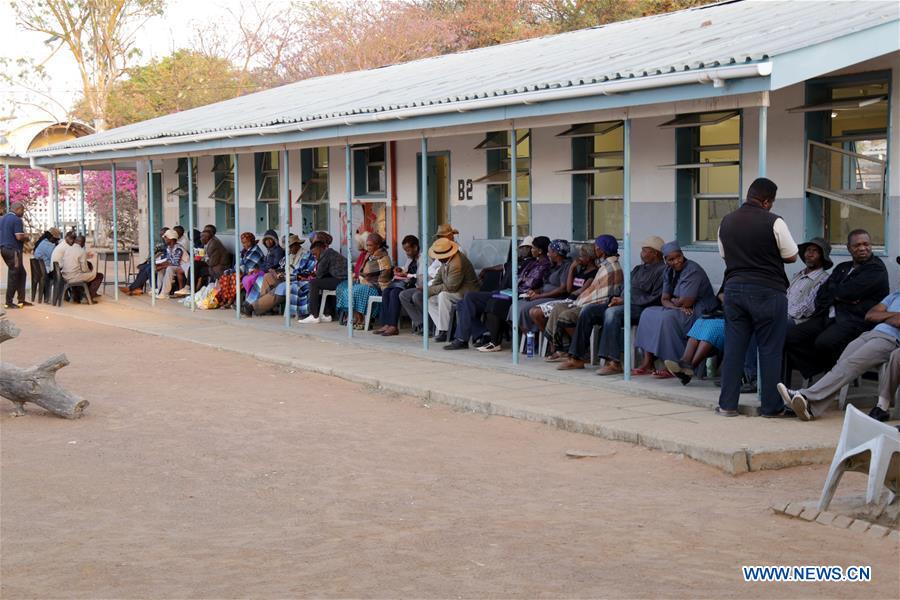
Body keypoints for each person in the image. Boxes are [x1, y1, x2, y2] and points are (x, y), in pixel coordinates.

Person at [714, 178, 799, 417]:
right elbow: (792, 255)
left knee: (734, 349)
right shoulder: (775, 221)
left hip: (734, 290)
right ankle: (771, 407)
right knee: (770, 351)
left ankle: (727, 405)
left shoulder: (726, 222)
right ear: (767, 201)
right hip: (768, 291)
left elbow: (724, 255)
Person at [778, 290, 900, 422]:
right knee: (841, 365)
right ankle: (811, 408)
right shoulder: (896, 295)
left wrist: (884, 316)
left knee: (851, 364)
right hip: (870, 334)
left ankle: (805, 395)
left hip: (891, 339)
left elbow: (895, 321)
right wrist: (894, 315)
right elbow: (870, 315)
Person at [784, 229, 889, 380]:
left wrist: (839, 294)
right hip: (829, 316)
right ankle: (819, 369)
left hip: (855, 320)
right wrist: (840, 295)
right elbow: (822, 295)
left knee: (824, 342)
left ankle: (832, 377)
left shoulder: (876, 269)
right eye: (857, 245)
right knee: (791, 336)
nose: (862, 248)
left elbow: (848, 292)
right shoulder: (842, 267)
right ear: (849, 248)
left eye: (866, 244)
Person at [561, 236, 665, 372]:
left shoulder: (663, 271)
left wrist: (625, 301)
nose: (641, 253)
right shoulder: (639, 269)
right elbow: (623, 286)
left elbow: (655, 298)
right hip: (622, 303)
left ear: (655, 253)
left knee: (612, 313)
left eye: (644, 251)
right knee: (588, 310)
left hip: (641, 308)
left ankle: (613, 362)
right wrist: (616, 298)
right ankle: (576, 357)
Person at [444, 235, 552, 351]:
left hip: (512, 294)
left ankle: (464, 339)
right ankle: (482, 333)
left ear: (538, 250)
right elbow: (505, 268)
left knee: (476, 298)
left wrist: (519, 285)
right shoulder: (526, 262)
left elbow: (529, 283)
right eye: (523, 247)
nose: (524, 250)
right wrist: (487, 269)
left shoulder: (537, 264)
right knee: (462, 303)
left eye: (529, 247)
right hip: (506, 292)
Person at [632, 242, 717, 378]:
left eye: (679, 257)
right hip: (681, 309)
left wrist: (674, 302)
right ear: (665, 260)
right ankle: (648, 362)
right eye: (671, 259)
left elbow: (687, 301)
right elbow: (664, 299)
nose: (677, 261)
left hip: (700, 312)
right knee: (648, 313)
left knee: (667, 318)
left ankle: (672, 365)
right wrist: (675, 304)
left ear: (683, 255)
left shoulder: (692, 270)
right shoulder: (668, 271)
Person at [543, 235, 623, 360]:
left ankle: (580, 351)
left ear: (602, 250)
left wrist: (579, 302)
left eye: (597, 247)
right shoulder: (604, 266)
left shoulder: (610, 268)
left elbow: (602, 294)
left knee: (566, 315)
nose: (596, 249)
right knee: (558, 308)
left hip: (597, 304)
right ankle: (564, 348)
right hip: (583, 300)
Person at [399, 223, 460, 334]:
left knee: (420, 296)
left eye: (443, 237)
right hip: (433, 285)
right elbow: (432, 270)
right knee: (403, 294)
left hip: (453, 289)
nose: (440, 239)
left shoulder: (458, 252)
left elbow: (448, 280)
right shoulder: (443, 251)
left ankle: (440, 329)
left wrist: (429, 286)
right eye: (439, 237)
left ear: (451, 237)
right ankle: (424, 325)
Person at [528, 243, 598, 334]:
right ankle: (551, 339)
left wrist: (572, 292)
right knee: (533, 311)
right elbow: (569, 289)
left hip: (576, 302)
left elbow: (581, 291)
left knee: (537, 313)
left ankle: (553, 341)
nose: (578, 258)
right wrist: (572, 269)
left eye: (581, 256)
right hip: (569, 299)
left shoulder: (593, 273)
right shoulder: (582, 270)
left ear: (588, 258)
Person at [242, 234, 309, 317]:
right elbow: (281, 265)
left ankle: (254, 307)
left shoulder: (305, 254)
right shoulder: (289, 253)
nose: (289, 249)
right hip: (283, 276)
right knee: (267, 276)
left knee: (279, 288)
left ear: (297, 245)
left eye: (290, 247)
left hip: (293, 278)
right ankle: (260, 306)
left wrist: (283, 274)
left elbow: (301, 272)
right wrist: (276, 271)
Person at [427, 237, 479, 342]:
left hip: (467, 292)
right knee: (430, 300)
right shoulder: (445, 261)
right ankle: (448, 328)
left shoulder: (457, 263)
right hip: (456, 291)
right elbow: (438, 279)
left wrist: (430, 290)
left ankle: (445, 331)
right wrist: (429, 291)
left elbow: (451, 287)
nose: (437, 258)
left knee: (443, 295)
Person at [341, 232, 393, 329]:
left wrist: (369, 283)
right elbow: (363, 271)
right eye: (367, 245)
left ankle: (365, 320)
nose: (368, 247)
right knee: (348, 291)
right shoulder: (369, 256)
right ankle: (358, 316)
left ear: (377, 245)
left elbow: (384, 278)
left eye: (370, 245)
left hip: (377, 287)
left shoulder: (383, 258)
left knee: (357, 291)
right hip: (366, 284)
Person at [373, 234, 420, 336]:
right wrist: (400, 270)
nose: (407, 253)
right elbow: (406, 269)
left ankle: (393, 326)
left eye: (408, 250)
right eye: (405, 251)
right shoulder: (411, 259)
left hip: (416, 284)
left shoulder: (423, 259)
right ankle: (385, 324)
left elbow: (421, 275)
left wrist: (407, 274)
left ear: (415, 247)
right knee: (386, 292)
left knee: (395, 293)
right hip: (407, 283)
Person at [300, 232, 348, 324]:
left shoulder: (326, 254)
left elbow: (318, 274)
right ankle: (328, 314)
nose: (314, 256)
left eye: (315, 254)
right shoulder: (329, 252)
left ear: (320, 248)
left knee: (314, 283)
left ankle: (313, 315)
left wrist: (304, 276)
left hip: (342, 281)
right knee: (320, 282)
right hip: (341, 279)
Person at [787, 237, 832, 324]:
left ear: (822, 257)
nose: (810, 254)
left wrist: (784, 314)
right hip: (783, 315)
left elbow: (808, 308)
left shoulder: (824, 279)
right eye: (808, 250)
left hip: (799, 321)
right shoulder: (797, 275)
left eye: (815, 251)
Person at [120, 227, 168, 296]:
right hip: (157, 262)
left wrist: (155, 261)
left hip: (164, 264)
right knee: (143, 267)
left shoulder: (170, 244)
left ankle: (133, 288)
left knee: (148, 268)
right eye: (161, 236)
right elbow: (155, 255)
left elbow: (166, 258)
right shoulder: (163, 245)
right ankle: (138, 288)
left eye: (163, 236)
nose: (162, 237)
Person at [1, 201, 29, 309]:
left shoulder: (2, 219)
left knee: (22, 273)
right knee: (14, 275)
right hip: (13, 251)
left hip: (4, 249)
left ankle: (21, 300)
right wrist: (27, 238)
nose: (23, 213)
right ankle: (9, 302)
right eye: (22, 210)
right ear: (18, 209)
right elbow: (19, 237)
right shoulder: (17, 220)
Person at [60, 230, 104, 300]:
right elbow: (84, 269)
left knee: (86, 275)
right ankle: (87, 297)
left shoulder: (67, 249)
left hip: (64, 276)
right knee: (98, 275)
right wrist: (90, 271)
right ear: (82, 243)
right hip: (73, 277)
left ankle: (79, 295)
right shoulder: (81, 251)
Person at [155, 229, 185, 299]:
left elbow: (175, 263)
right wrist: (159, 266)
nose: (164, 239)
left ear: (171, 238)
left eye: (166, 238)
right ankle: (160, 291)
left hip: (184, 266)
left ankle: (165, 293)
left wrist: (162, 266)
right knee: (160, 270)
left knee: (169, 269)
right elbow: (169, 260)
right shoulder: (169, 248)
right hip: (176, 266)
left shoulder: (178, 248)